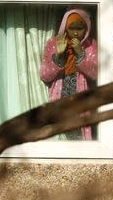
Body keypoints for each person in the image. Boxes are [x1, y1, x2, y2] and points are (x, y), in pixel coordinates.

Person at [39, 8, 97, 140]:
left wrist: (80, 53)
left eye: (80, 28)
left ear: (87, 28)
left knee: (77, 137)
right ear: (65, 26)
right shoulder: (53, 44)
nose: (76, 32)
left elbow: (95, 74)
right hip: (59, 99)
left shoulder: (90, 45)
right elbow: (45, 75)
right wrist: (58, 55)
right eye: (72, 28)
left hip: (80, 102)